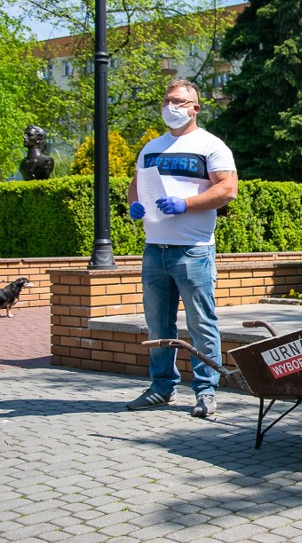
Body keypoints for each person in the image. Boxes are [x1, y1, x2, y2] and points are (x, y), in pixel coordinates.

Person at [126, 79, 238, 418]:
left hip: (193, 250)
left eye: (179, 101)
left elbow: (228, 189)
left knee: (202, 323)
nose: (171, 107)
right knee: (158, 325)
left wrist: (185, 204)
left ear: (195, 108)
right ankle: (162, 388)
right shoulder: (151, 148)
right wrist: (134, 205)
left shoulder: (211, 145)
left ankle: (206, 391)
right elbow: (134, 188)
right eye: (167, 100)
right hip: (154, 250)